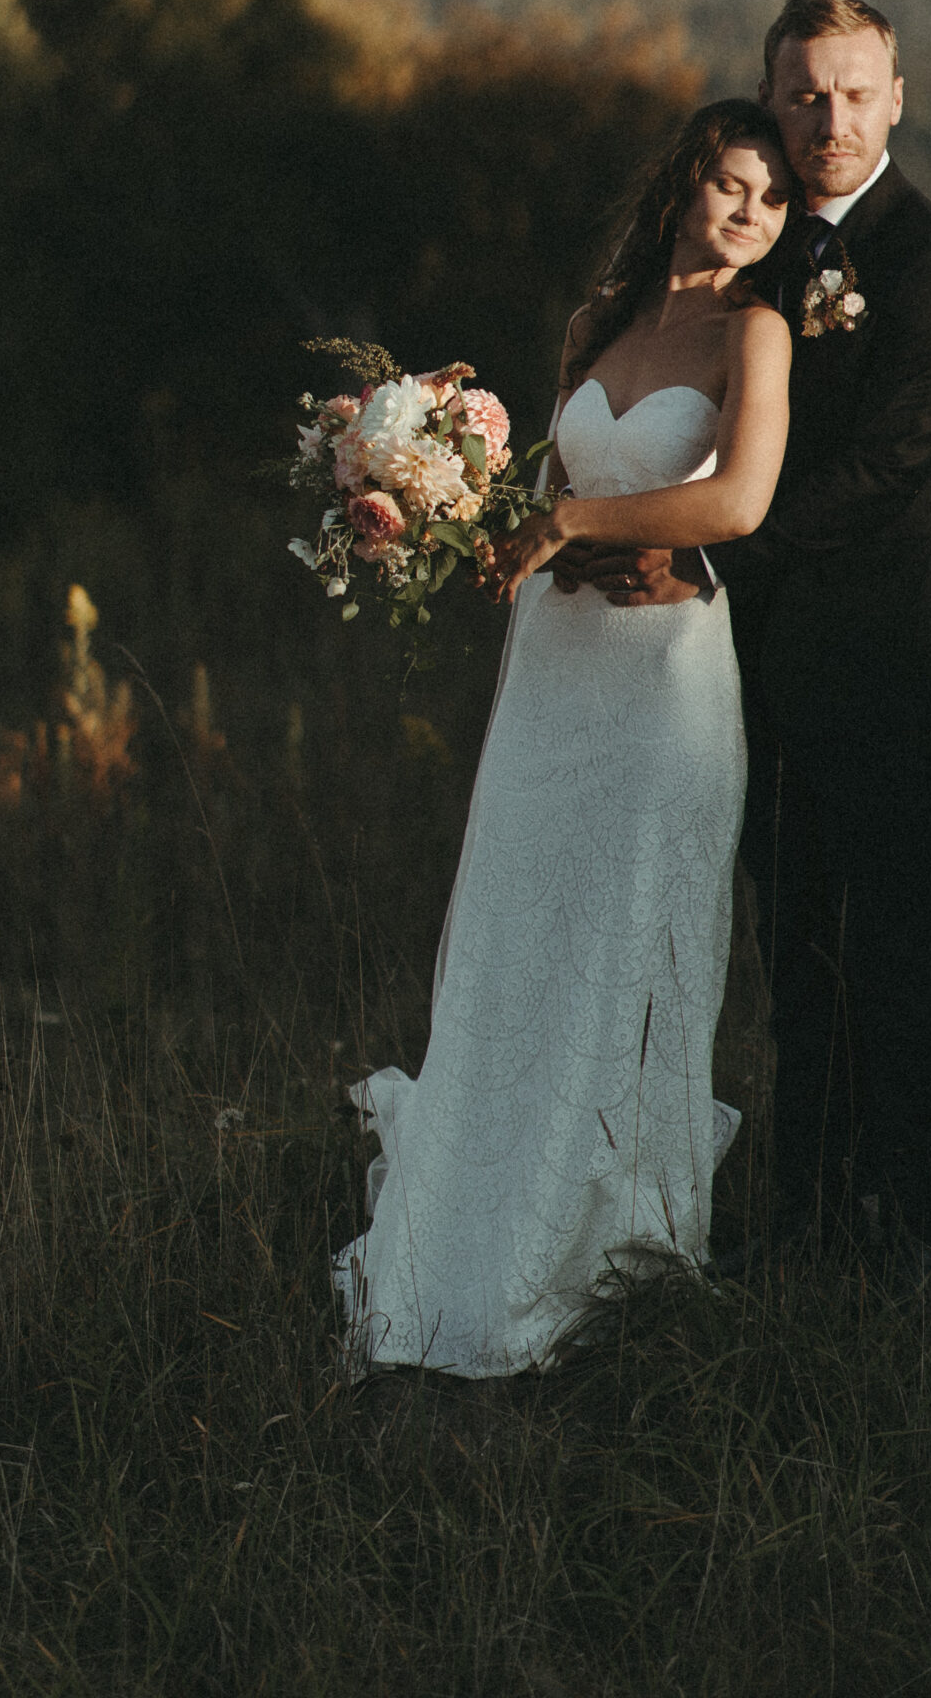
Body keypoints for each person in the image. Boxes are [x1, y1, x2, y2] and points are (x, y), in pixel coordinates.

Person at [332, 100, 794, 1377]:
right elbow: (547, 496)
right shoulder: (601, 319)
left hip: (661, 685)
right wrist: (439, 509)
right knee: (521, 927)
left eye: (772, 197)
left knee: (622, 941)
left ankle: (603, 1257)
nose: (751, 212)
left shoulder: (758, 331)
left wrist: (588, 527)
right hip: (556, 665)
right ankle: (471, 1236)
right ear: (685, 185)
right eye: (730, 185)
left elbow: (738, 498)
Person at [560, 0, 931, 1275]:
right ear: (771, 98)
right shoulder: (747, 252)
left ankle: (924, 1235)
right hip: (751, 665)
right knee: (796, 955)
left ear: (897, 97)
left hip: (890, 664)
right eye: (805, 94)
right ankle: (812, 1218)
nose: (830, 115)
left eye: (855, 91)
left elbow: (880, 473)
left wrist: (689, 547)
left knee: (901, 955)